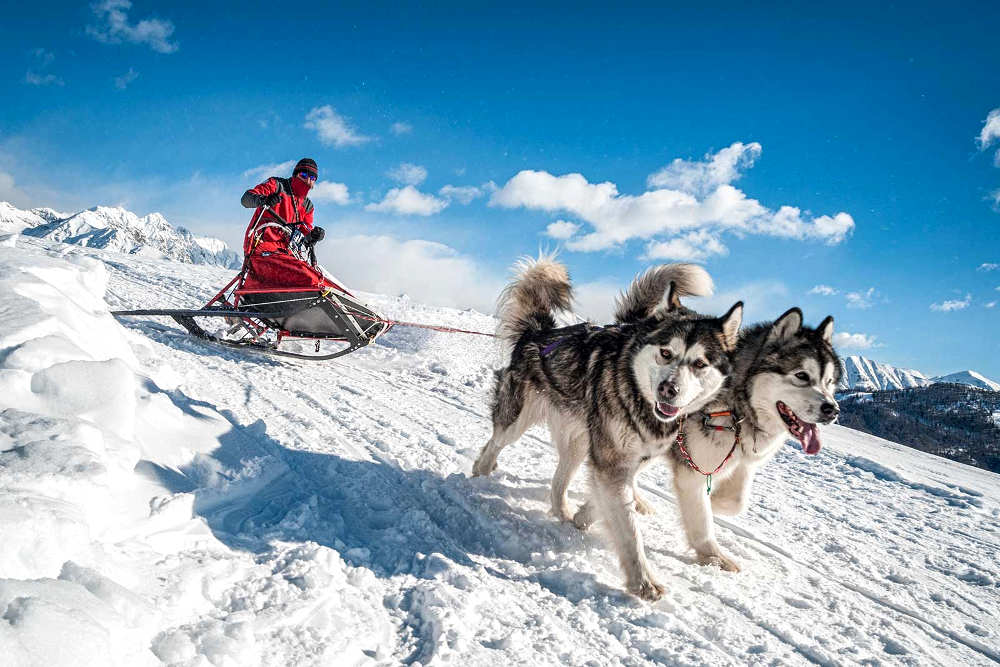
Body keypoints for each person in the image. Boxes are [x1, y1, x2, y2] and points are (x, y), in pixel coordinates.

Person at [240, 158, 328, 289]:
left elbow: (305, 233)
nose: (308, 181)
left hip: (287, 254)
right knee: (307, 277)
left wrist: (313, 236)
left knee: (315, 277)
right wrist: (264, 200)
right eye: (304, 175)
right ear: (295, 174)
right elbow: (246, 199)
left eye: (312, 178)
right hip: (262, 247)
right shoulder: (276, 185)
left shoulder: (308, 206)